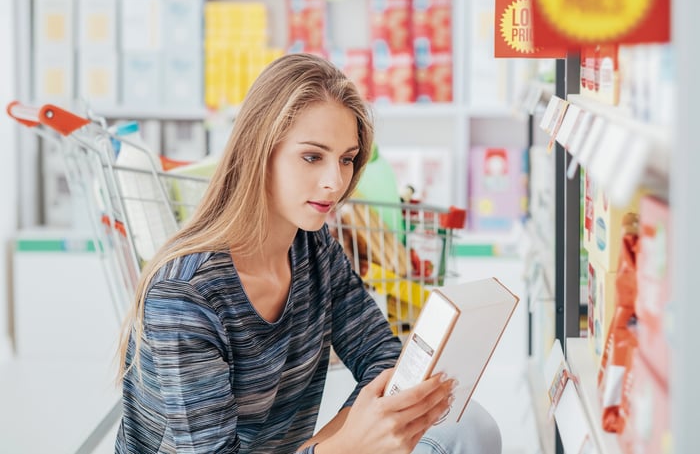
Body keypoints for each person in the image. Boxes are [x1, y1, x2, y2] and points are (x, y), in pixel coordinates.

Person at [115, 52, 502, 454]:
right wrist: (344, 447)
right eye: (312, 156)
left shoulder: (312, 248)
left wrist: (336, 444)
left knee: (470, 425)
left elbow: (382, 358)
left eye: (347, 159)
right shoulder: (184, 297)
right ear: (258, 152)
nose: (335, 182)